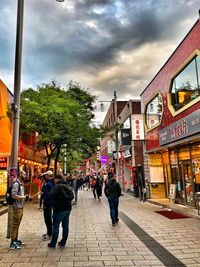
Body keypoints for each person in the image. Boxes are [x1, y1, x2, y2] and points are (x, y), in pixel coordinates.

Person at [48, 174, 74, 248]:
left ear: (56, 179)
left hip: (59, 209)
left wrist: (53, 204)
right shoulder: (68, 185)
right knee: (65, 226)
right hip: (68, 209)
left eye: (54, 179)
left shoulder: (57, 186)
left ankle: (53, 243)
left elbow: (50, 195)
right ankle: (63, 242)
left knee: (55, 226)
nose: (54, 181)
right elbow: (72, 196)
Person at [10, 170, 28, 250]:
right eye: (24, 174)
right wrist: (23, 197)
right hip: (17, 207)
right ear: (20, 174)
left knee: (17, 224)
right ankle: (12, 242)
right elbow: (13, 196)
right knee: (15, 224)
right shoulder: (16, 184)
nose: (25, 175)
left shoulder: (21, 183)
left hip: (20, 207)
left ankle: (16, 239)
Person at [41, 170, 54, 241]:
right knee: (48, 218)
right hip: (50, 203)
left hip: (47, 203)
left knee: (47, 218)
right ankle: (49, 232)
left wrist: (44, 198)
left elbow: (46, 194)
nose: (45, 176)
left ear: (48, 176)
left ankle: (49, 233)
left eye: (46, 175)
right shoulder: (51, 183)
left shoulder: (48, 183)